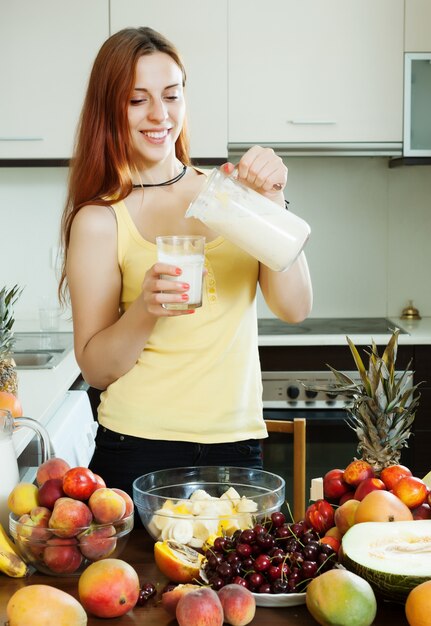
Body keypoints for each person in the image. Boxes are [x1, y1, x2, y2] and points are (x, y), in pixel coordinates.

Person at [59, 27, 312, 500]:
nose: (160, 115)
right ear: (109, 108)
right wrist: (145, 308)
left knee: (235, 579)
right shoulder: (100, 220)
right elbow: (96, 369)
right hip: (137, 449)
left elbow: (295, 306)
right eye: (137, 100)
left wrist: (273, 204)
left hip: (237, 448)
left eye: (171, 95)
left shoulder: (231, 196)